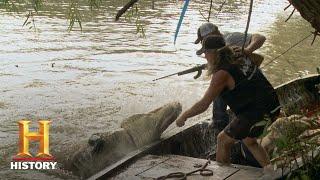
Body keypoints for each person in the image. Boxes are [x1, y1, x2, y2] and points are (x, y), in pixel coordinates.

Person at [176, 35, 280, 173]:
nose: (205, 57)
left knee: (222, 140)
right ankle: (270, 171)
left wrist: (184, 116)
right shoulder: (240, 54)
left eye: (205, 53)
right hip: (273, 104)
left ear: (214, 53)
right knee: (249, 140)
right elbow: (257, 59)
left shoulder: (221, 74)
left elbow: (204, 104)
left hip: (257, 112)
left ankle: (223, 175)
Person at [194, 22, 266, 138]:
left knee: (219, 86)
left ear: (214, 33)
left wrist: (247, 50)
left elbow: (260, 38)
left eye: (203, 39)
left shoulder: (230, 37)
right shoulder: (215, 47)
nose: (203, 43)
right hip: (240, 81)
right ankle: (221, 122)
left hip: (248, 81)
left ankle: (219, 123)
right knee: (220, 83)